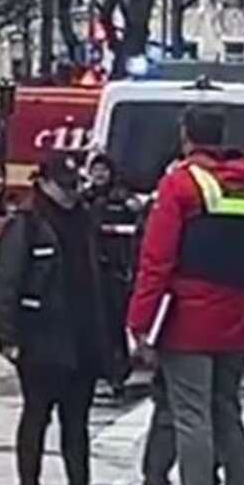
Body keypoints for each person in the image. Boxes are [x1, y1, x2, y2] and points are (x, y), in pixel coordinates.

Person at [126, 105, 244, 485]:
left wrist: (140, 324)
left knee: (190, 417)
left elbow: (157, 261)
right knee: (229, 413)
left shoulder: (181, 185)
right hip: (238, 319)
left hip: (188, 319)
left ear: (186, 136)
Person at [0, 153, 116, 485]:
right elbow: (4, 283)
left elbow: (101, 282)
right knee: (36, 419)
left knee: (76, 424)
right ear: (43, 182)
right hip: (41, 340)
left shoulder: (85, 222)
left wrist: (108, 340)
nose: (71, 194)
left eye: (75, 186)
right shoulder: (27, 224)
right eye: (64, 186)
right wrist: (7, 337)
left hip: (82, 339)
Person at [84, 152, 138, 400]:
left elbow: (138, 224)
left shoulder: (121, 197)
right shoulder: (84, 198)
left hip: (116, 271)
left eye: (103, 171)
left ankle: (117, 373)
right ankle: (98, 373)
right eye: (95, 170)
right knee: (93, 324)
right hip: (90, 271)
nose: (99, 175)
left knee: (115, 324)